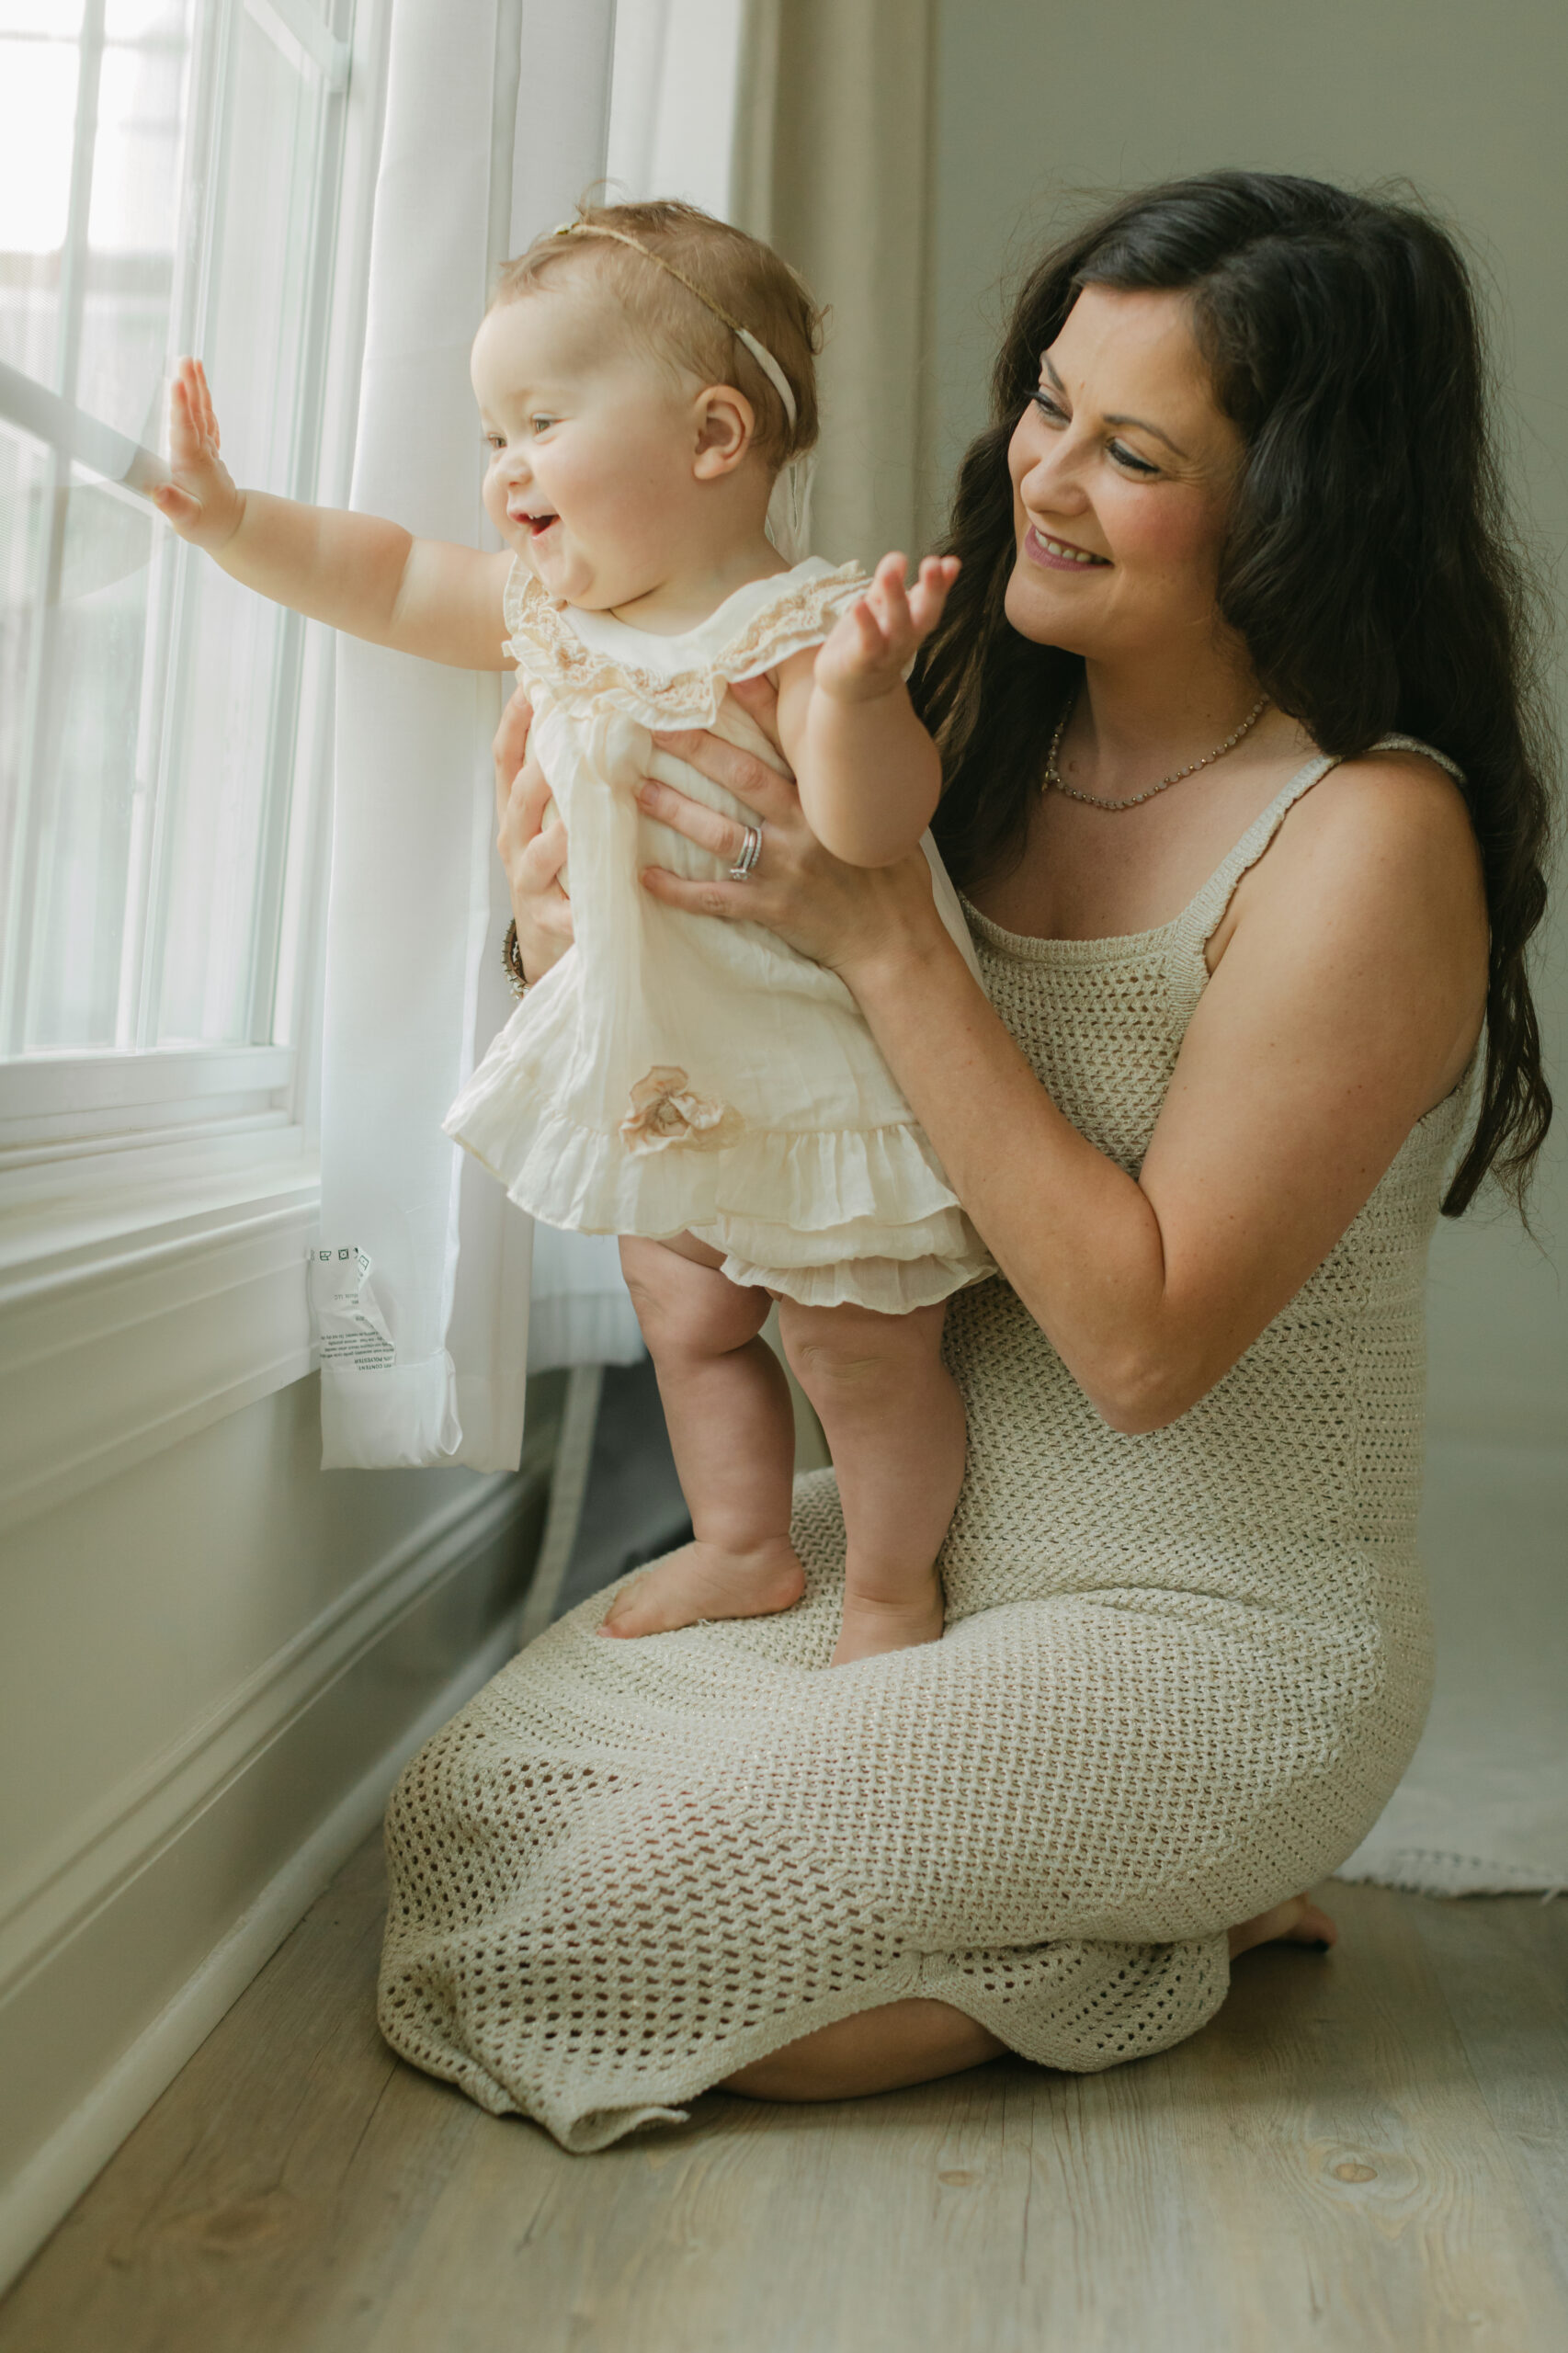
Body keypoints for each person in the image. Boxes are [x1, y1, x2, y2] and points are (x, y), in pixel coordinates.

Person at [381, 169, 1551, 2146]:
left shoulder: (1367, 838)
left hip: (1210, 1628)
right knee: (455, 1812)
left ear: (1297, 498)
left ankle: (1190, 1916)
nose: (1042, 477)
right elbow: (731, 1034)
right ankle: (1101, 1896)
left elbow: (1138, 1347)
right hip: (914, 1557)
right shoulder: (941, 714)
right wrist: (559, 924)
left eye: (1133, 448)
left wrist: (882, 933)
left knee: (611, 1941)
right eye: (1043, 405)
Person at [153, 199, 994, 1666]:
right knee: (684, 1315)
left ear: (712, 438)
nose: (503, 471)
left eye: (538, 422)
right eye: (492, 435)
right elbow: (388, 576)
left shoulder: (795, 630)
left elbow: (870, 833)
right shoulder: (553, 614)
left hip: (814, 1072)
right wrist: (235, 522)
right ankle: (739, 1543)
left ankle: (887, 1584)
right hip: (661, 1067)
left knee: (856, 1351)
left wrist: (862, 698)